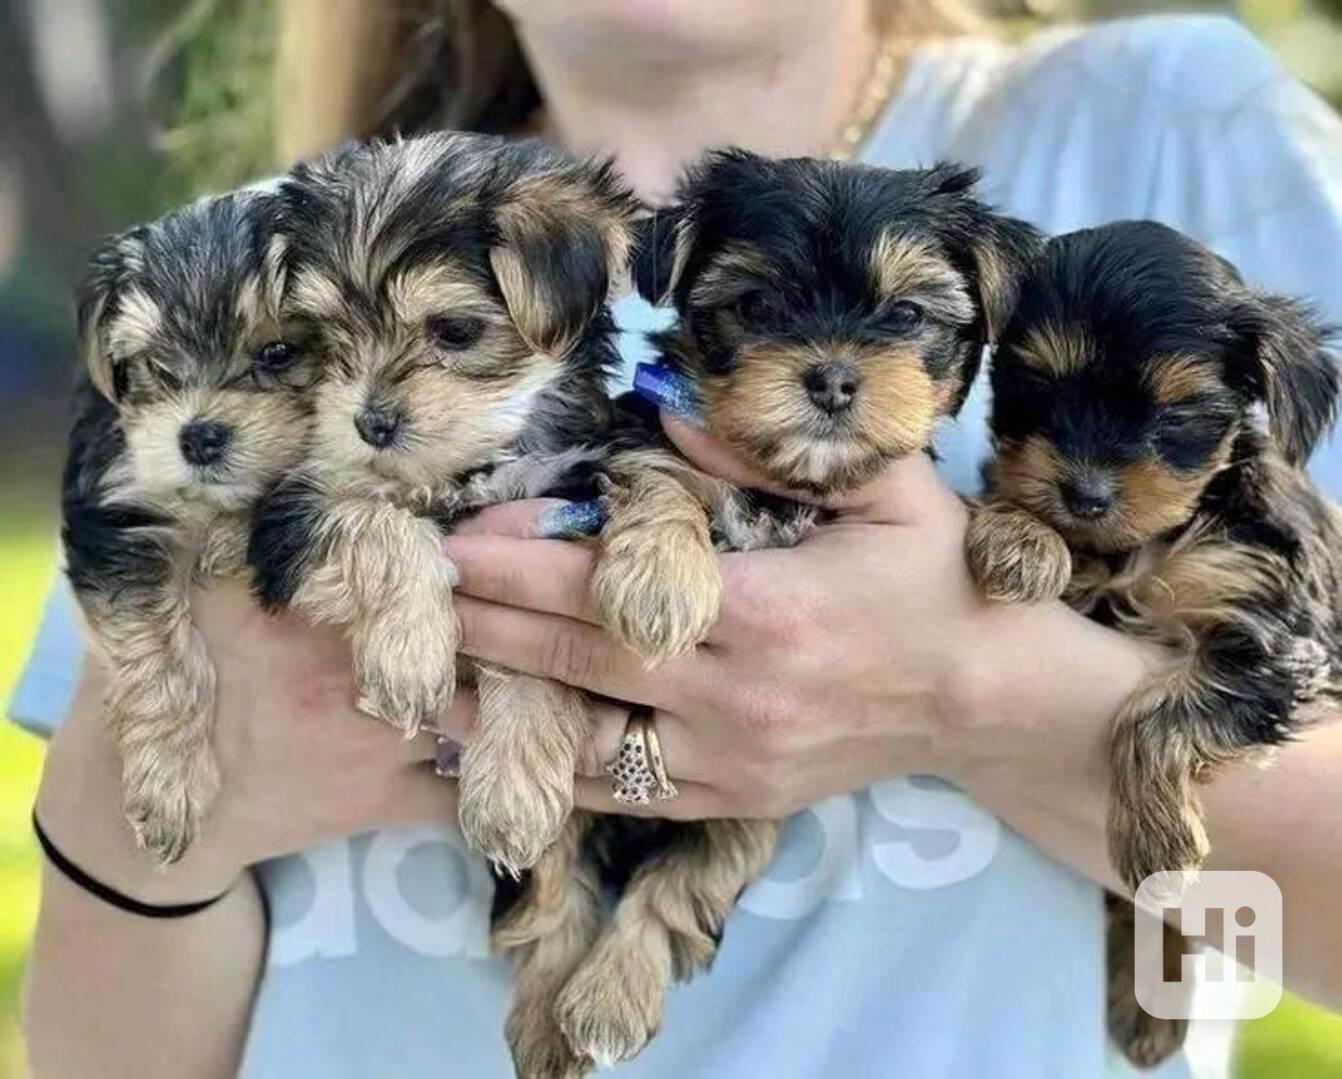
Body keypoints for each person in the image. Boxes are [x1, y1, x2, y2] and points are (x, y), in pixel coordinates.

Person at [15, 2, 1342, 1076]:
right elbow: (101, 1043)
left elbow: (1307, 934)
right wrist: (142, 804)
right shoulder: (252, 251)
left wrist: (971, 698)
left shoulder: (1164, 121)